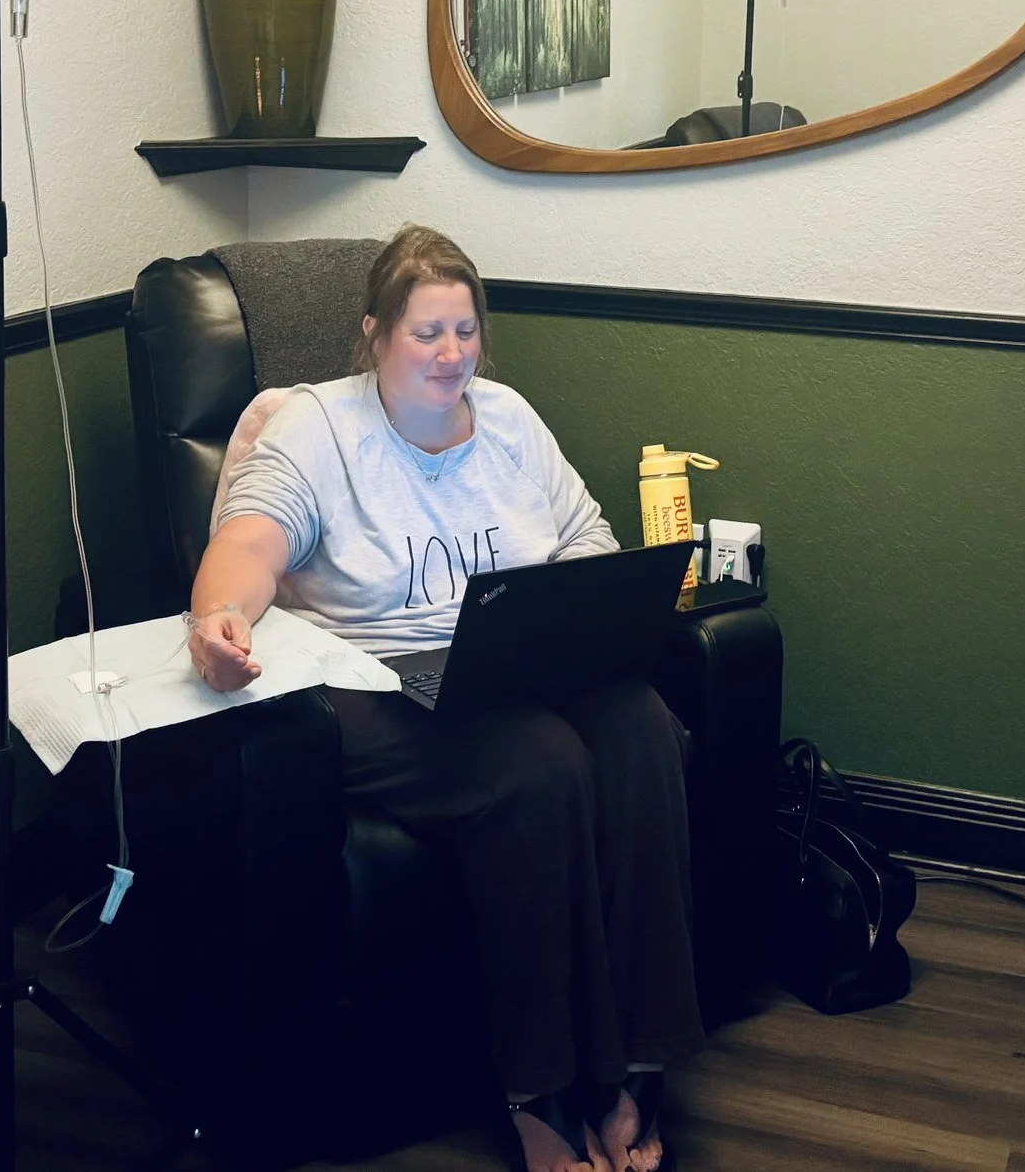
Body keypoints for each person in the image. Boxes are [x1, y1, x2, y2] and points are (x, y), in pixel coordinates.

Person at [186, 226, 696, 1172]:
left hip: (513, 661)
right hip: (376, 679)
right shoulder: (317, 428)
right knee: (539, 767)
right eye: (427, 333)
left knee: (642, 730)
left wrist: (582, 618)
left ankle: (639, 1063)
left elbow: (585, 532)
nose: (451, 355)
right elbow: (251, 543)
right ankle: (538, 1089)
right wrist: (218, 617)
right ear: (375, 334)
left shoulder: (506, 418)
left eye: (465, 331)